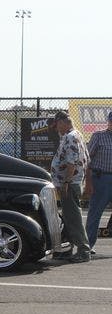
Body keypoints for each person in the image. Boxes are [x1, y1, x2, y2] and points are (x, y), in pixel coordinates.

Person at [50, 111, 91, 263]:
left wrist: (66, 182)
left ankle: (83, 250)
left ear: (62, 122)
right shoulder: (75, 134)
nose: (56, 129)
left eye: (56, 125)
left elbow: (71, 163)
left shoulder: (71, 137)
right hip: (71, 183)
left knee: (73, 218)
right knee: (68, 217)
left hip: (70, 183)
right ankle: (68, 249)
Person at [84, 111, 112, 253]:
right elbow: (87, 160)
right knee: (95, 213)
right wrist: (88, 182)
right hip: (101, 179)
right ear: (108, 121)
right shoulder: (98, 136)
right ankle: (88, 245)